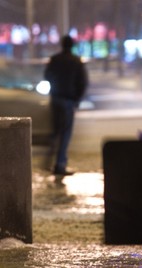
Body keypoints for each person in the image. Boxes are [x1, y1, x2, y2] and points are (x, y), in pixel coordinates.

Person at [44, 35, 88, 176]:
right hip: (68, 100)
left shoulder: (54, 60)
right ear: (72, 46)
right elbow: (83, 82)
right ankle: (60, 165)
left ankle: (48, 161)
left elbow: (47, 76)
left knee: (55, 131)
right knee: (65, 133)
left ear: (62, 45)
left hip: (55, 99)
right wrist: (77, 99)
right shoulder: (76, 61)